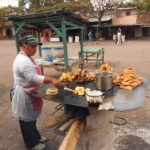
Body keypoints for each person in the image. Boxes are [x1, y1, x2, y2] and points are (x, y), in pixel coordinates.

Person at [11, 34, 64, 150]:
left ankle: (36, 137)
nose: (35, 49)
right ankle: (31, 144)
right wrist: (51, 79)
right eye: (32, 46)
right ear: (23, 46)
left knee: (32, 118)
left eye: (36, 46)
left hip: (31, 92)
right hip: (24, 94)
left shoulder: (28, 57)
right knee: (26, 120)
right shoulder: (22, 61)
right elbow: (31, 77)